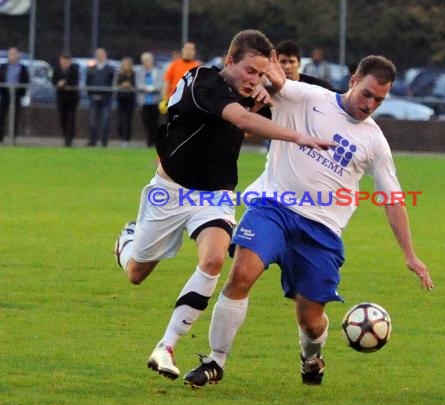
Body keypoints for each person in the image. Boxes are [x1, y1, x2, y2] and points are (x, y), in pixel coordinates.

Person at [183, 55, 434, 388]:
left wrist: (410, 255)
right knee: (242, 273)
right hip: (273, 206)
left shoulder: (374, 142)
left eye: (379, 99)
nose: (370, 104)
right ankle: (215, 361)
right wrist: (263, 74)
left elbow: (392, 200)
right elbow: (275, 81)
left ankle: (312, 357)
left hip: (321, 230)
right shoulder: (308, 97)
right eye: (367, 94)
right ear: (353, 80)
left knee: (310, 318)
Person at [113, 29, 333, 381]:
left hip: (215, 194)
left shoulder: (250, 89)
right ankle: (127, 241)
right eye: (250, 71)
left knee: (215, 259)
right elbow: (242, 120)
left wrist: (277, 87)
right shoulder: (204, 82)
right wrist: (298, 136)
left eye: (261, 73)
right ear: (229, 62)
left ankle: (166, 347)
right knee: (136, 273)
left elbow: (313, 94)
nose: (254, 80)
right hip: (170, 191)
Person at [86, 48, 115, 147]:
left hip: (106, 99)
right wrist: (90, 94)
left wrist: (108, 94)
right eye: (98, 54)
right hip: (93, 98)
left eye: (102, 54)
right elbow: (88, 83)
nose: (100, 56)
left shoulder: (110, 69)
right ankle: (92, 141)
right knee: (92, 121)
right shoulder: (91, 68)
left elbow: (112, 83)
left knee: (105, 121)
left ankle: (104, 142)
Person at [0, 47, 30, 143]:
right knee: (1, 115)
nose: (12, 56)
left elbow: (26, 81)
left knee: (15, 116)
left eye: (14, 54)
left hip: (16, 95)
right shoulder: (3, 67)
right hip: (5, 94)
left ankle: (13, 137)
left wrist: (21, 92)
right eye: (10, 54)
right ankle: (1, 137)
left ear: (18, 55)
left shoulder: (22, 68)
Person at [161, 42, 201, 109]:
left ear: (194, 52)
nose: (188, 51)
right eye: (186, 49)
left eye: (191, 49)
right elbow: (167, 82)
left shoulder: (198, 67)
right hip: (173, 101)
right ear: (182, 50)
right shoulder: (174, 65)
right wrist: (163, 99)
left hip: (191, 102)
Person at [52, 53, 80, 147]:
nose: (65, 63)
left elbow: (75, 82)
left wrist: (64, 83)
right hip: (61, 98)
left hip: (72, 99)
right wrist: (58, 83)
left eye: (67, 61)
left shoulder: (74, 69)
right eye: (63, 60)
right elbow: (53, 81)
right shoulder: (56, 69)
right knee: (63, 118)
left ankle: (69, 140)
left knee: (71, 119)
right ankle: (65, 136)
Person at [136, 52, 162, 147]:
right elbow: (138, 84)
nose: (146, 62)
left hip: (155, 101)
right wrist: (147, 88)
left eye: (147, 60)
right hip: (144, 101)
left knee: (155, 122)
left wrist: (153, 88)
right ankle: (150, 139)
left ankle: (152, 141)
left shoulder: (158, 71)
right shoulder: (140, 72)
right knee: (146, 122)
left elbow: (160, 84)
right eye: (144, 61)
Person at [116, 56, 137, 145]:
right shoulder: (120, 74)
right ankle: (121, 137)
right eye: (125, 64)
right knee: (121, 120)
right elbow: (116, 85)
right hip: (121, 99)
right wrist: (122, 85)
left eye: (128, 64)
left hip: (130, 99)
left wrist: (130, 86)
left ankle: (127, 139)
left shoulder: (134, 74)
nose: (126, 66)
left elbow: (136, 85)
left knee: (128, 120)